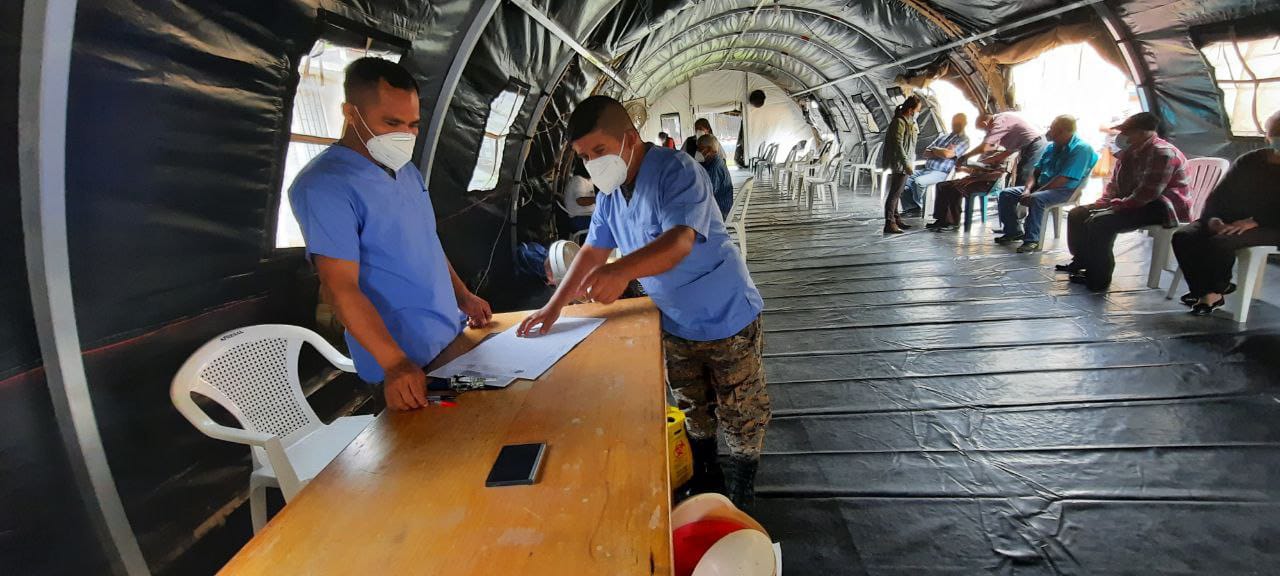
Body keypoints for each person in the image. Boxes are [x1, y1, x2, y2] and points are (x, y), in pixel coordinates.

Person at [517, 96, 769, 509]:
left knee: (741, 408)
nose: (593, 163)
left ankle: (743, 486)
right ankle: (708, 477)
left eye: (599, 150)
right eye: (584, 156)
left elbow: (679, 241)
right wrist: (555, 305)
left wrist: (620, 271)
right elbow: (593, 250)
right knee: (693, 406)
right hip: (672, 318)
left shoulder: (677, 171)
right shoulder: (611, 194)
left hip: (724, 313)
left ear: (630, 138)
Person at [289, 57, 492, 412]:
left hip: (449, 338)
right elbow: (340, 287)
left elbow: (426, 240)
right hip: (407, 368)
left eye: (413, 124)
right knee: (442, 436)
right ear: (350, 113)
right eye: (391, 123)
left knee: (488, 406)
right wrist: (395, 363)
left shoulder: (406, 171)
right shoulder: (324, 186)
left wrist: (463, 296)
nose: (405, 135)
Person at [1059, 112, 1189, 290]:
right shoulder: (1129, 153)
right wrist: (1103, 203)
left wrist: (1115, 207)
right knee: (1077, 214)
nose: (1122, 136)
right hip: (1134, 201)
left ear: (1143, 133)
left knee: (1101, 222)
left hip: (1162, 207)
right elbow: (1115, 185)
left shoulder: (1162, 153)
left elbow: (1147, 194)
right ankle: (1082, 261)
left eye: (1127, 132)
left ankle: (1098, 278)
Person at [1172, 110, 1280, 316]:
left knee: (1222, 242)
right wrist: (1214, 219)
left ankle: (1213, 291)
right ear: (1267, 135)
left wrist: (1255, 221)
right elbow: (1219, 196)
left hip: (1271, 225)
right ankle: (1205, 290)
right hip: (1231, 219)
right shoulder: (1250, 161)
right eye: (1275, 133)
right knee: (1184, 236)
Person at [994, 115, 1098, 252]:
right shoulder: (1051, 147)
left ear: (1063, 131)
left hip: (1065, 190)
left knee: (1036, 198)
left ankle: (1032, 240)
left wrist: (1035, 192)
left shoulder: (1081, 149)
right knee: (1006, 194)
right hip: (1043, 187)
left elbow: (1063, 179)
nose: (1049, 132)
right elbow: (1035, 172)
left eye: (1052, 129)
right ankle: (1013, 231)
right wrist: (1027, 189)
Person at [901, 113, 970, 217]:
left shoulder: (964, 140)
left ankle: (920, 205)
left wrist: (936, 150)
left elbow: (947, 154)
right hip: (926, 169)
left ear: (964, 124)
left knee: (918, 182)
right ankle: (912, 208)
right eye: (954, 122)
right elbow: (926, 153)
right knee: (902, 178)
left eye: (958, 123)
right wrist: (940, 151)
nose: (955, 125)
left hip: (941, 173)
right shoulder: (943, 137)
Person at [960, 111, 1048, 191]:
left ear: (984, 123)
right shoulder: (1009, 131)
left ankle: (1022, 202)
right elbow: (1002, 156)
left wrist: (965, 157)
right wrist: (978, 163)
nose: (987, 133)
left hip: (1035, 144)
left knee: (1024, 177)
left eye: (984, 130)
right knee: (1021, 176)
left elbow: (984, 147)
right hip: (1031, 145)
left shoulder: (999, 121)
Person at [882, 95, 922, 234]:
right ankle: (889, 222)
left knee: (897, 192)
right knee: (895, 193)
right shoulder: (899, 122)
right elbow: (898, 145)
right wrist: (906, 164)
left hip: (905, 162)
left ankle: (896, 219)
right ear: (910, 110)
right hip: (900, 163)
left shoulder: (909, 122)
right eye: (917, 110)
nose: (918, 113)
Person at [697, 133, 734, 218]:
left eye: (700, 148)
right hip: (718, 206)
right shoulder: (714, 160)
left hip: (720, 211)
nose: (698, 151)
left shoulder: (714, 166)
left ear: (708, 149)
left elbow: (709, 193)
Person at [563, 158, 596, 233]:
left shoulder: (589, 180)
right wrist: (599, 199)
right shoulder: (578, 180)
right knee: (609, 224)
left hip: (587, 216)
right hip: (578, 219)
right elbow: (581, 201)